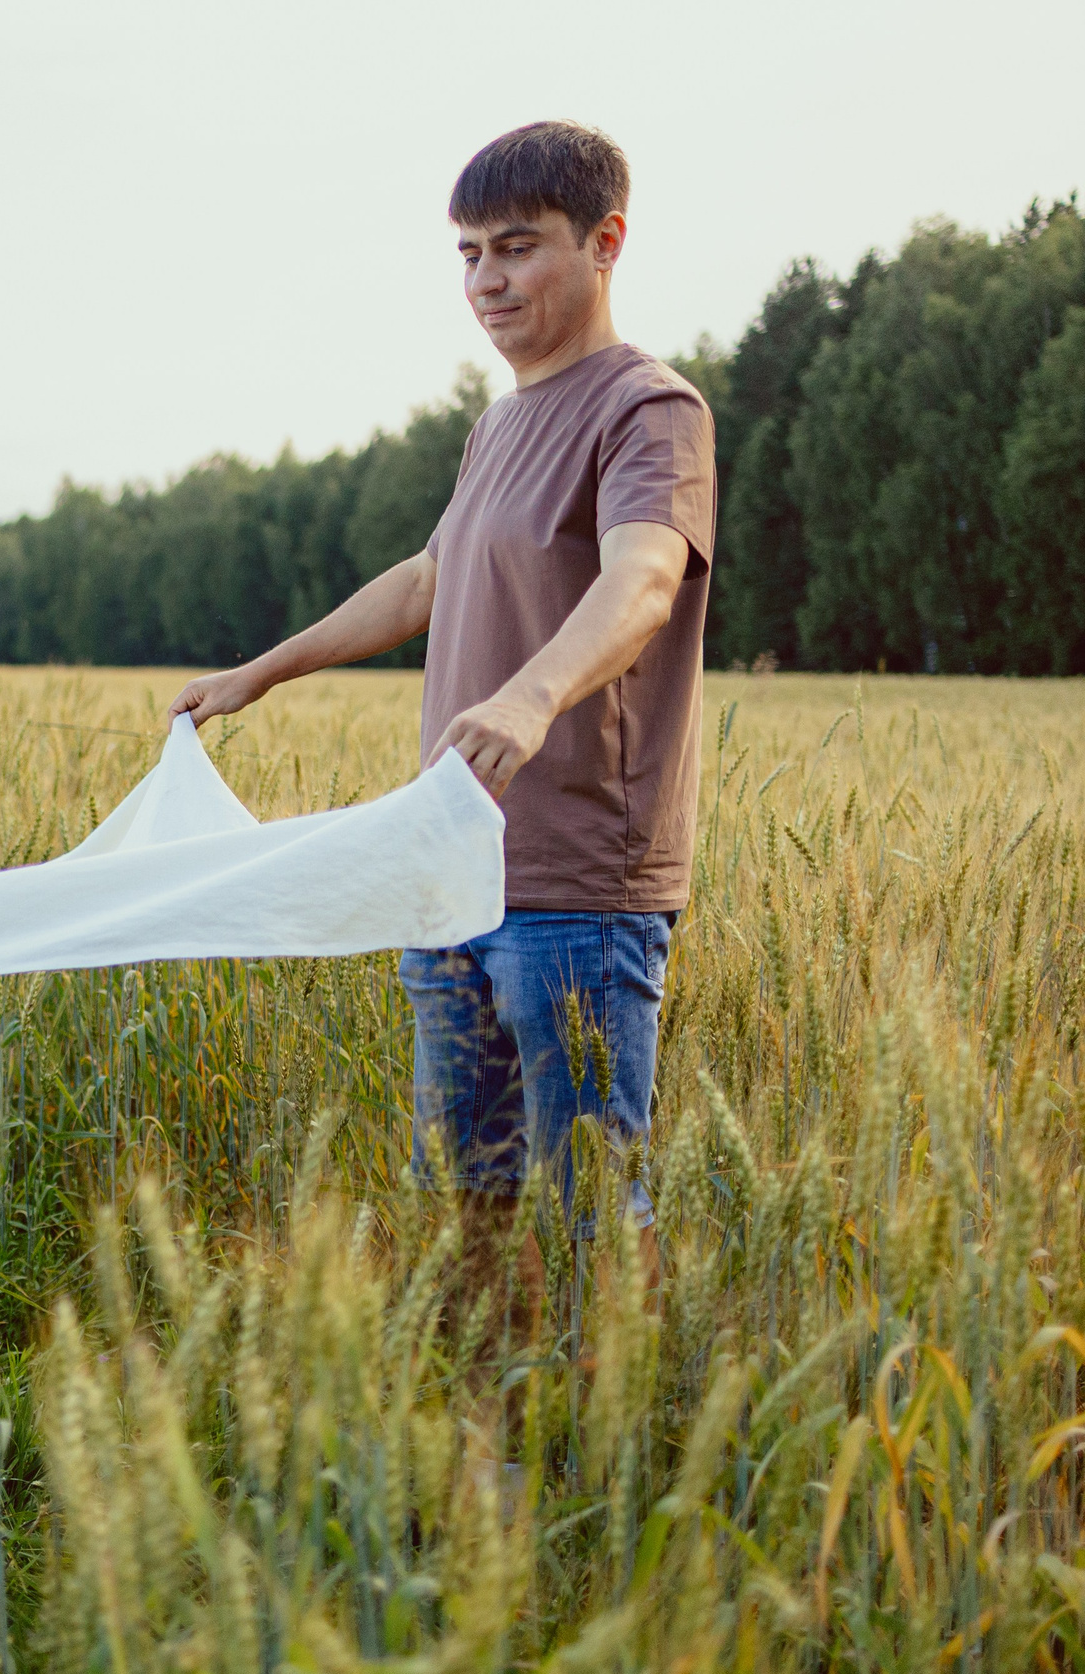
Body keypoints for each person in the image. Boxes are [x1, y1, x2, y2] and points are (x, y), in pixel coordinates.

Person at [171, 121, 715, 1344]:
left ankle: (614, 1453)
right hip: (449, 874)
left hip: (576, 885)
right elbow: (428, 580)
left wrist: (531, 694)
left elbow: (640, 580)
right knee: (464, 1202)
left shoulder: (649, 409)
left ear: (604, 242)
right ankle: (491, 1435)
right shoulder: (498, 425)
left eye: (515, 249)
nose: (484, 282)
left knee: (589, 1206)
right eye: (467, 255)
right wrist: (262, 672)